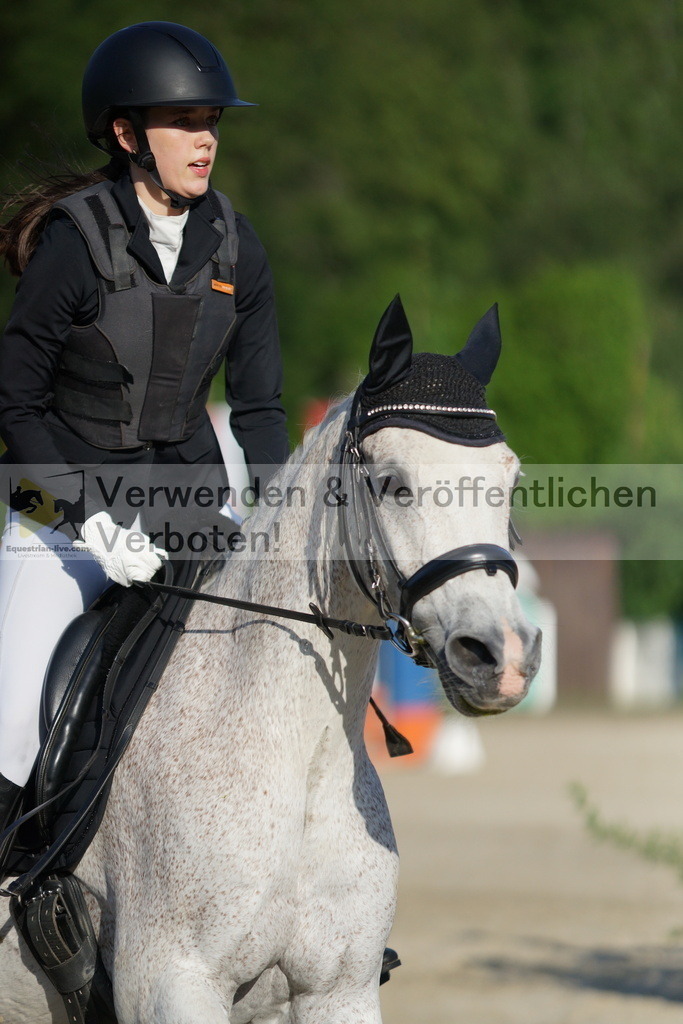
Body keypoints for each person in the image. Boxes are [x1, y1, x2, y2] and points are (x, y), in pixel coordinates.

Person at [0, 22, 289, 842]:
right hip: (58, 512)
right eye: (184, 122)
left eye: (212, 123)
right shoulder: (74, 243)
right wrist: (88, 521)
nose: (205, 140)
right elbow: (14, 403)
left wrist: (277, 516)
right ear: (127, 135)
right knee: (11, 725)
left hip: (190, 507)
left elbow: (260, 409)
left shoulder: (237, 244)